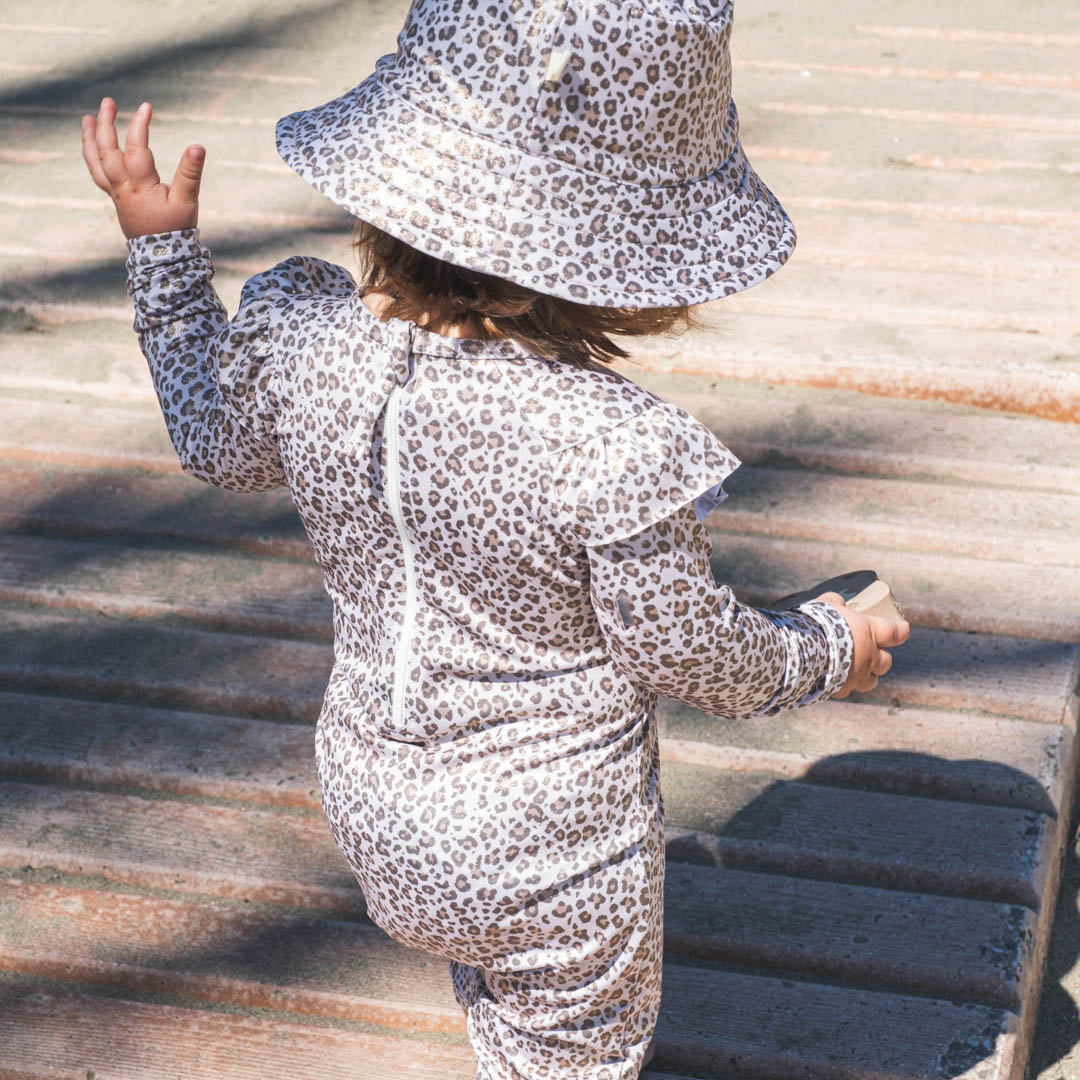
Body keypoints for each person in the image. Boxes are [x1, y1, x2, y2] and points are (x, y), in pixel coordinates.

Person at [81, 2, 909, 1076]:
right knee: (566, 1050)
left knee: (498, 999)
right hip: (556, 859)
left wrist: (160, 252)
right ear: (628, 249)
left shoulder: (299, 336)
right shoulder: (614, 446)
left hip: (378, 817)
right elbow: (689, 651)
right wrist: (829, 645)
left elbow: (214, 441)